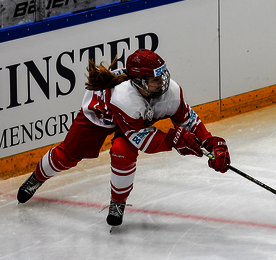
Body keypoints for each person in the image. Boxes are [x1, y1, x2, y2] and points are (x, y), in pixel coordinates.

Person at [17, 49, 231, 226]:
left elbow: (188, 120)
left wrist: (211, 142)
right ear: (138, 81)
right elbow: (143, 140)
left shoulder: (170, 91)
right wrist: (170, 140)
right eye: (155, 79)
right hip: (101, 116)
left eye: (162, 76)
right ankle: (37, 177)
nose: (163, 83)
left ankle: (117, 203)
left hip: (134, 120)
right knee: (67, 156)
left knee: (122, 151)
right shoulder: (124, 98)